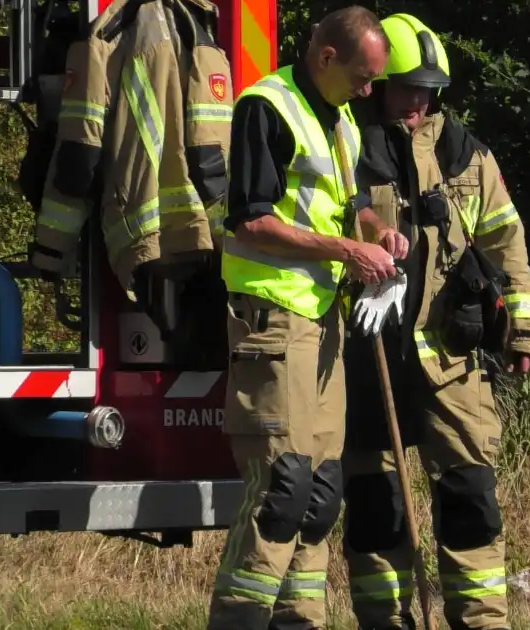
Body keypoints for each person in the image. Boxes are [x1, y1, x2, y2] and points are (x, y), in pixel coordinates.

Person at [337, 13, 530, 630]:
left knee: (472, 499)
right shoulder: (347, 147)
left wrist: (524, 331)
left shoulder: (468, 157)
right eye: (408, 88)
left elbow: (511, 251)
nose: (420, 102)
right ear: (378, 85)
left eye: (430, 90)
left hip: (450, 363)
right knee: (376, 510)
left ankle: (481, 622)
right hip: (365, 360)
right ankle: (387, 621)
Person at [205, 7, 409, 630]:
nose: (370, 92)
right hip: (274, 319)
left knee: (321, 494)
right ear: (326, 58)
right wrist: (349, 251)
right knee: (283, 489)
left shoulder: (339, 116)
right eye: (363, 77)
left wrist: (380, 233)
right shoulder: (266, 106)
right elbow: (252, 220)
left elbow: (346, 208)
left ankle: (301, 620)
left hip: (324, 321)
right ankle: (238, 620)